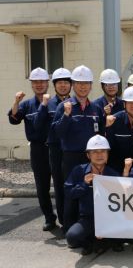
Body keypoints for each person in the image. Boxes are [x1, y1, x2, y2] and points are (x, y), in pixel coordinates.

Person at [53, 65, 105, 231]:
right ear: (73, 85)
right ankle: (69, 226)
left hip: (91, 158)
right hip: (71, 157)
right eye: (79, 83)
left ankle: (91, 226)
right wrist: (67, 116)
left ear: (91, 86)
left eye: (86, 83)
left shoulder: (96, 108)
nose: (83, 86)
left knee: (91, 191)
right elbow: (57, 133)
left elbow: (101, 133)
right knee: (71, 192)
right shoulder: (64, 106)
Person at [8, 67, 57, 231]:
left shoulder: (55, 102)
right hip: (37, 149)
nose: (39, 85)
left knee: (59, 183)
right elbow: (14, 118)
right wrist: (16, 101)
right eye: (35, 82)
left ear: (47, 83)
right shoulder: (27, 104)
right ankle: (49, 218)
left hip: (55, 148)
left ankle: (65, 216)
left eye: (42, 81)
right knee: (42, 186)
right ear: (31, 84)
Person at [64, 135, 119, 255]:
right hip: (88, 218)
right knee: (72, 237)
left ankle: (103, 240)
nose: (99, 155)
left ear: (108, 154)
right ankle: (92, 241)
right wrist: (83, 183)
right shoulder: (78, 171)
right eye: (94, 152)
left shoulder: (113, 174)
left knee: (123, 236)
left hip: (109, 218)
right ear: (88, 155)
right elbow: (69, 193)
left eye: (103, 151)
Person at [33, 67, 72, 229]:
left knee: (71, 184)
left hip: (71, 149)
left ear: (71, 85)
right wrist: (43, 105)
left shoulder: (76, 102)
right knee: (58, 185)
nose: (63, 86)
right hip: (55, 149)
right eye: (60, 83)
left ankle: (73, 218)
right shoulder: (48, 104)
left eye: (66, 82)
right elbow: (37, 125)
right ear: (54, 85)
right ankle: (62, 220)